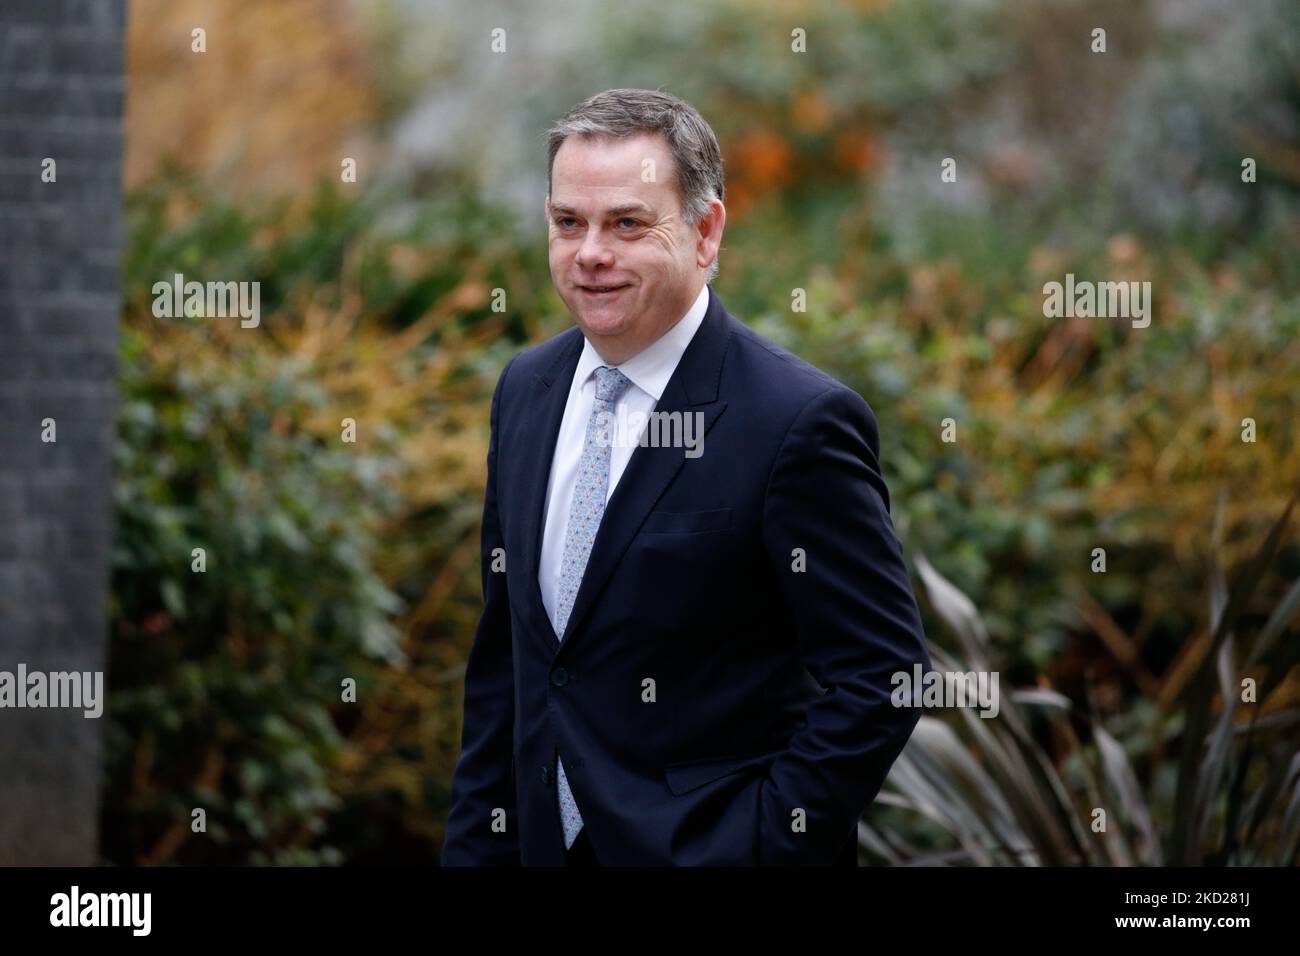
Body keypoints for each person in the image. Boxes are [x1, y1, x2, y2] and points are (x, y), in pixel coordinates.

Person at [441, 88, 930, 866]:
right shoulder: (525, 392)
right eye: (569, 223)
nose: (590, 252)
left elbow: (882, 677)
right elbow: (508, 664)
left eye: (628, 224)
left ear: (706, 233)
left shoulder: (796, 421)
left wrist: (758, 844)